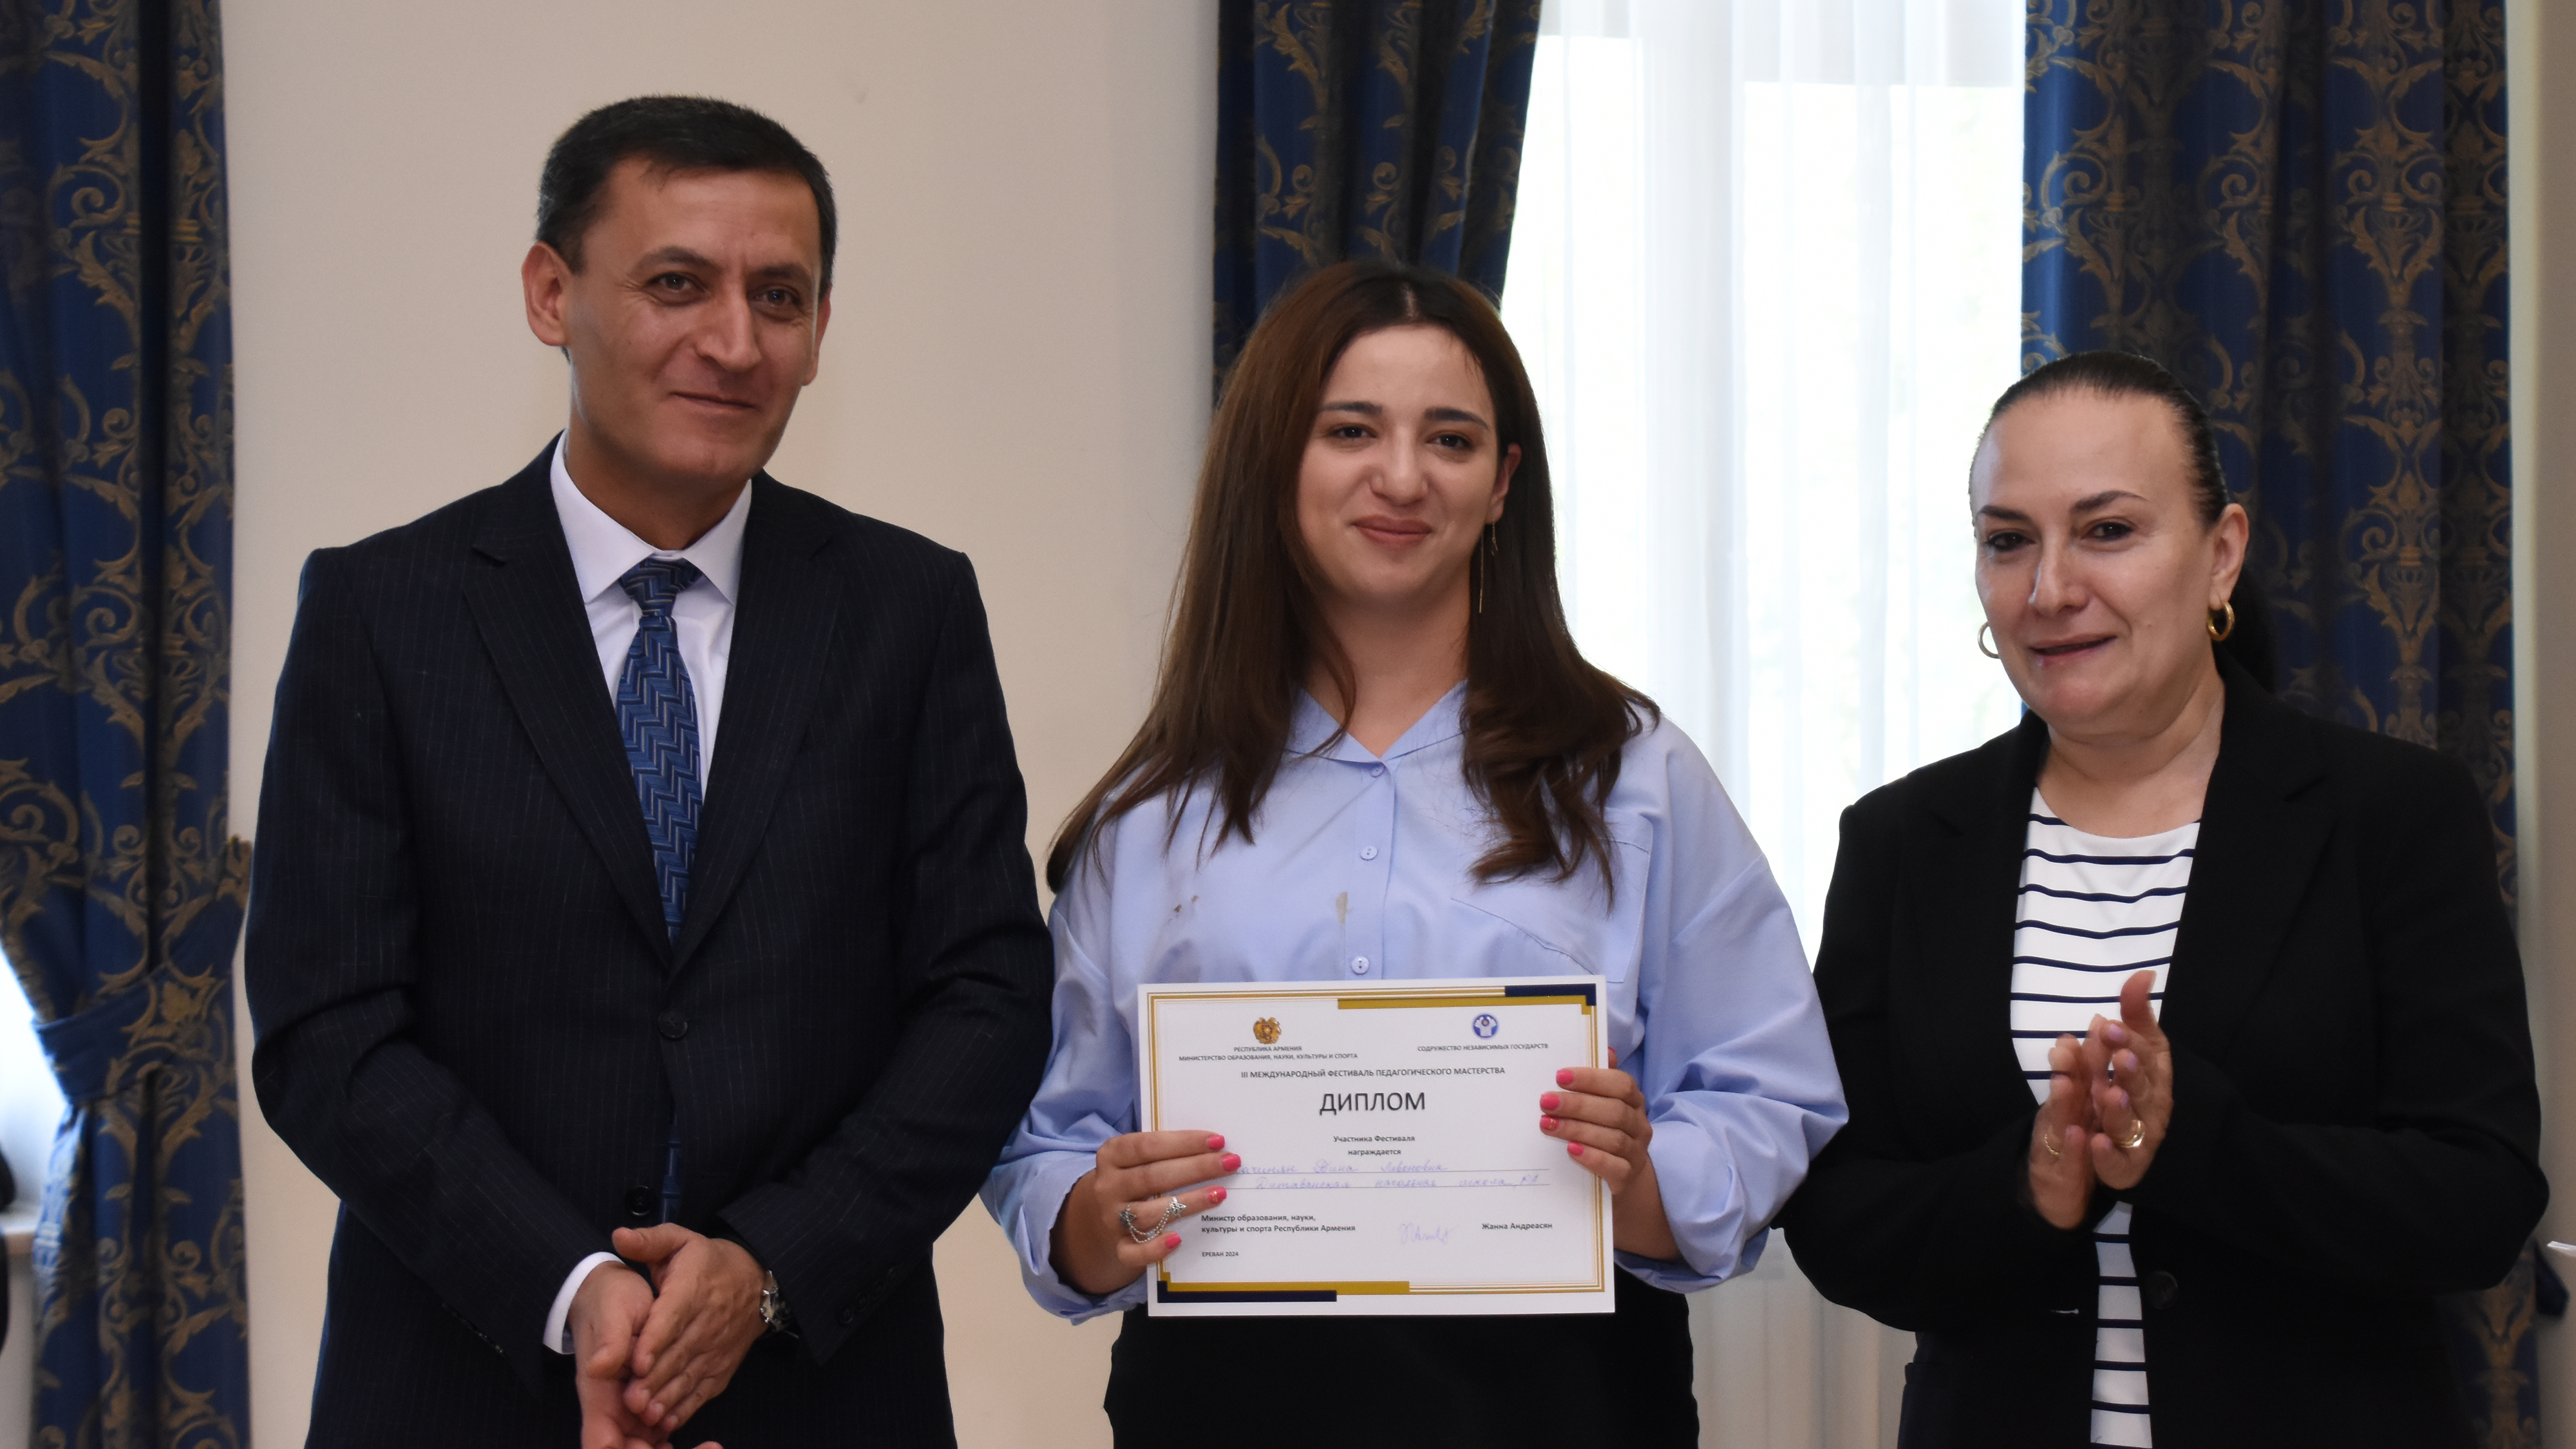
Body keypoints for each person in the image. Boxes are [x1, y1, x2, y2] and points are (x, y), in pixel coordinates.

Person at [245, 96, 1054, 1448]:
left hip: (823, 1387)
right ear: (550, 294)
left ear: (820, 328)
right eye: (676, 284)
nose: (733, 342)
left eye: (778, 296)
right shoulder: (382, 612)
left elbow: (986, 994)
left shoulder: (909, 611)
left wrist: (770, 1260)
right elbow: (327, 1030)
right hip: (462, 1383)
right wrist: (571, 1285)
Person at [980, 260, 1846, 1444]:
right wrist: (1100, 1216)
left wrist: (1640, 1179)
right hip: (1222, 1410)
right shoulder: (1155, 812)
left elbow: (1770, 1092)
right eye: (1351, 430)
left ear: (1503, 483)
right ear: (1274, 461)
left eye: (1451, 438)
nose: (1402, 476)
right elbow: (1046, 1139)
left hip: (1567, 1408)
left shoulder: (1632, 776)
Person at [1779, 350, 2547, 1447]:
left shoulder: (2392, 815)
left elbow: (2480, 1201)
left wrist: (2202, 1147)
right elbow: (1838, 1214)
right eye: (2008, 540)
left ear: (2221, 553)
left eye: (2107, 530)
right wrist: (2032, 1182)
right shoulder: (1903, 840)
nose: (2050, 588)